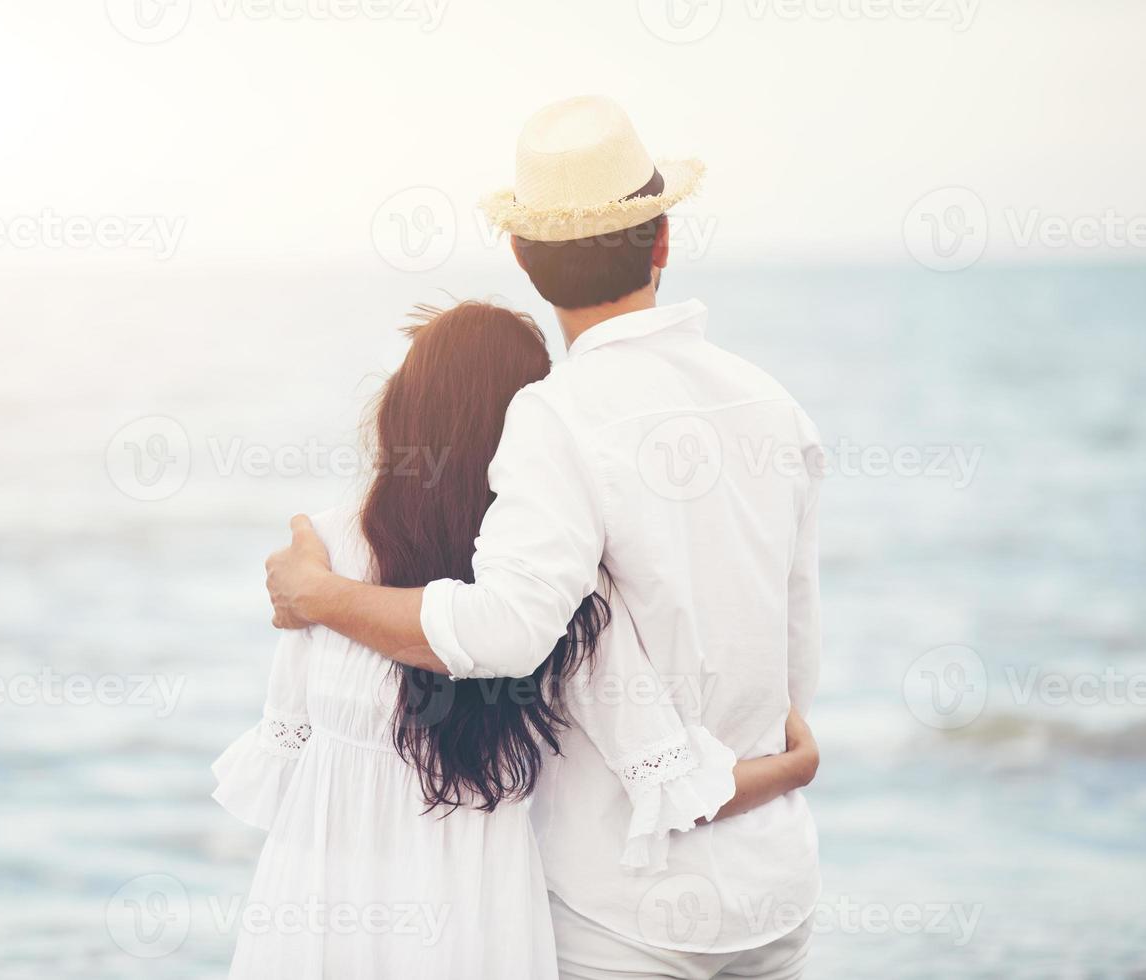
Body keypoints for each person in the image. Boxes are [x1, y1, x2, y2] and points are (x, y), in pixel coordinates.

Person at [263, 95, 825, 979]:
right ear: (664, 238)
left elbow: (506, 631)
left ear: (523, 259)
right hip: (777, 891)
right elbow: (795, 657)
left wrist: (321, 596)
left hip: (622, 911)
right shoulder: (771, 404)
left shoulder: (553, 416)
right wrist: (784, 767)